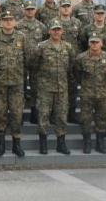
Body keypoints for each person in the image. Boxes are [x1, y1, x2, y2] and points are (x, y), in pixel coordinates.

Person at [0, 10, 27, 157]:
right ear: (1, 22)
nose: (8, 22)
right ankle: (1, 143)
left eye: (11, 19)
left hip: (17, 83)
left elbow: (27, 60)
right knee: (0, 114)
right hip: (0, 84)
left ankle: (16, 144)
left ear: (15, 22)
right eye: (5, 19)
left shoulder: (22, 38)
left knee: (17, 114)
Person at [33, 20, 76, 155]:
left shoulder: (68, 47)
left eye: (58, 29)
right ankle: (43, 144)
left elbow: (71, 66)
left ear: (62, 31)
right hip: (45, 88)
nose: (56, 32)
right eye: (54, 29)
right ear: (49, 31)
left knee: (62, 116)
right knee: (43, 116)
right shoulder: (41, 47)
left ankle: (61, 143)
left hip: (62, 88)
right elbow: (33, 64)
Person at [74, 32, 106, 154]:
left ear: (101, 43)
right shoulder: (81, 58)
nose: (94, 44)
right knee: (86, 119)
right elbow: (77, 73)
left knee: (101, 119)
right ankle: (87, 143)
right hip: (87, 93)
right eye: (92, 42)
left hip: (103, 93)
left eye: (97, 42)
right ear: (88, 43)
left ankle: (100, 143)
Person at [16, 0, 47, 124]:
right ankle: (19, 115)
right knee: (19, 89)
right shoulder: (17, 25)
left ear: (35, 11)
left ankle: (34, 115)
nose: (30, 11)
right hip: (20, 61)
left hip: (36, 63)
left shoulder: (42, 27)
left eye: (32, 9)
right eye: (27, 9)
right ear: (24, 10)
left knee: (36, 88)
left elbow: (45, 44)